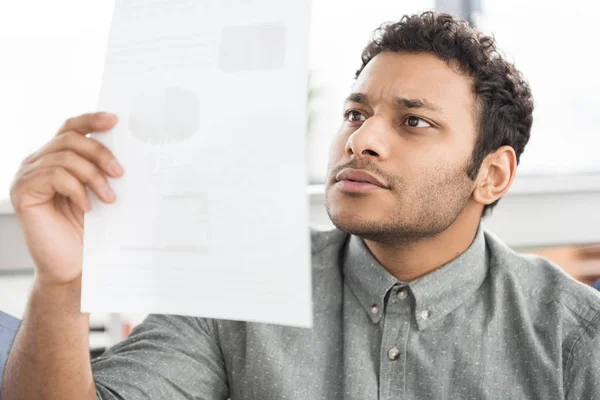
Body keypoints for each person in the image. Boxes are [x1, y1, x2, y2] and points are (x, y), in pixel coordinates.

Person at [2, 11, 599, 400]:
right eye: (356, 113)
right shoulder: (235, 283)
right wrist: (63, 282)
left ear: (491, 175)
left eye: (413, 121)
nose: (361, 139)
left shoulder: (573, 335)